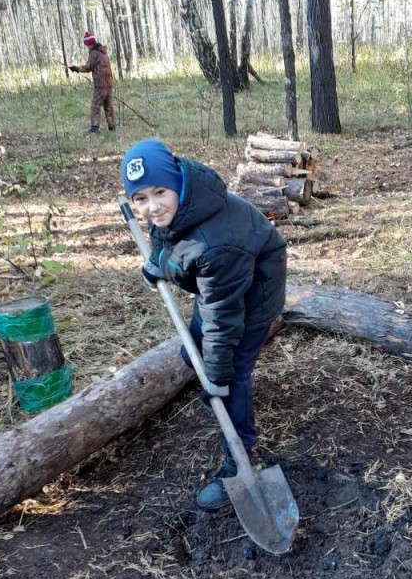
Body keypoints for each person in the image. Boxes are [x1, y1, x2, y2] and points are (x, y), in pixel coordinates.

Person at [121, 139, 288, 510]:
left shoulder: (214, 244)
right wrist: (157, 264)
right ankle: (217, 380)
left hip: (252, 297)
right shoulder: (179, 209)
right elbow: (164, 239)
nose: (152, 207)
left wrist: (218, 377)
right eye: (140, 199)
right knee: (194, 350)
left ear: (177, 183)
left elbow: (223, 319)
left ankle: (238, 458)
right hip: (219, 289)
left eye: (160, 192)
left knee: (230, 375)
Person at [70, 31, 115, 134]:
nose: (87, 47)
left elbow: (88, 67)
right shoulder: (103, 52)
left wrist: (76, 69)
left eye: (86, 44)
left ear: (89, 43)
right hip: (108, 83)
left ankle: (95, 127)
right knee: (108, 106)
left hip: (100, 84)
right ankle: (111, 125)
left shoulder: (94, 53)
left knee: (95, 105)